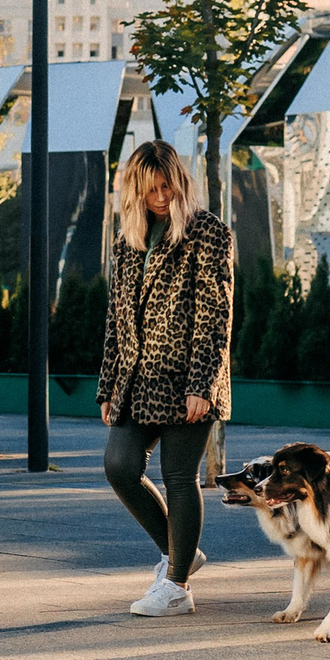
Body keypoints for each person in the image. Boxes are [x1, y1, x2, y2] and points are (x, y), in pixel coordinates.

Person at [96, 139, 233, 617]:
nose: (161, 197)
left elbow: (216, 314)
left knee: (179, 476)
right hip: (136, 380)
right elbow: (117, 319)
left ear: (181, 182)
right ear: (135, 189)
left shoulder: (208, 233)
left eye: (168, 186)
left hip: (187, 379)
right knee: (120, 465)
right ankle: (181, 553)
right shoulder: (128, 238)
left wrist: (203, 383)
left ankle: (176, 586)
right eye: (151, 189)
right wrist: (108, 385)